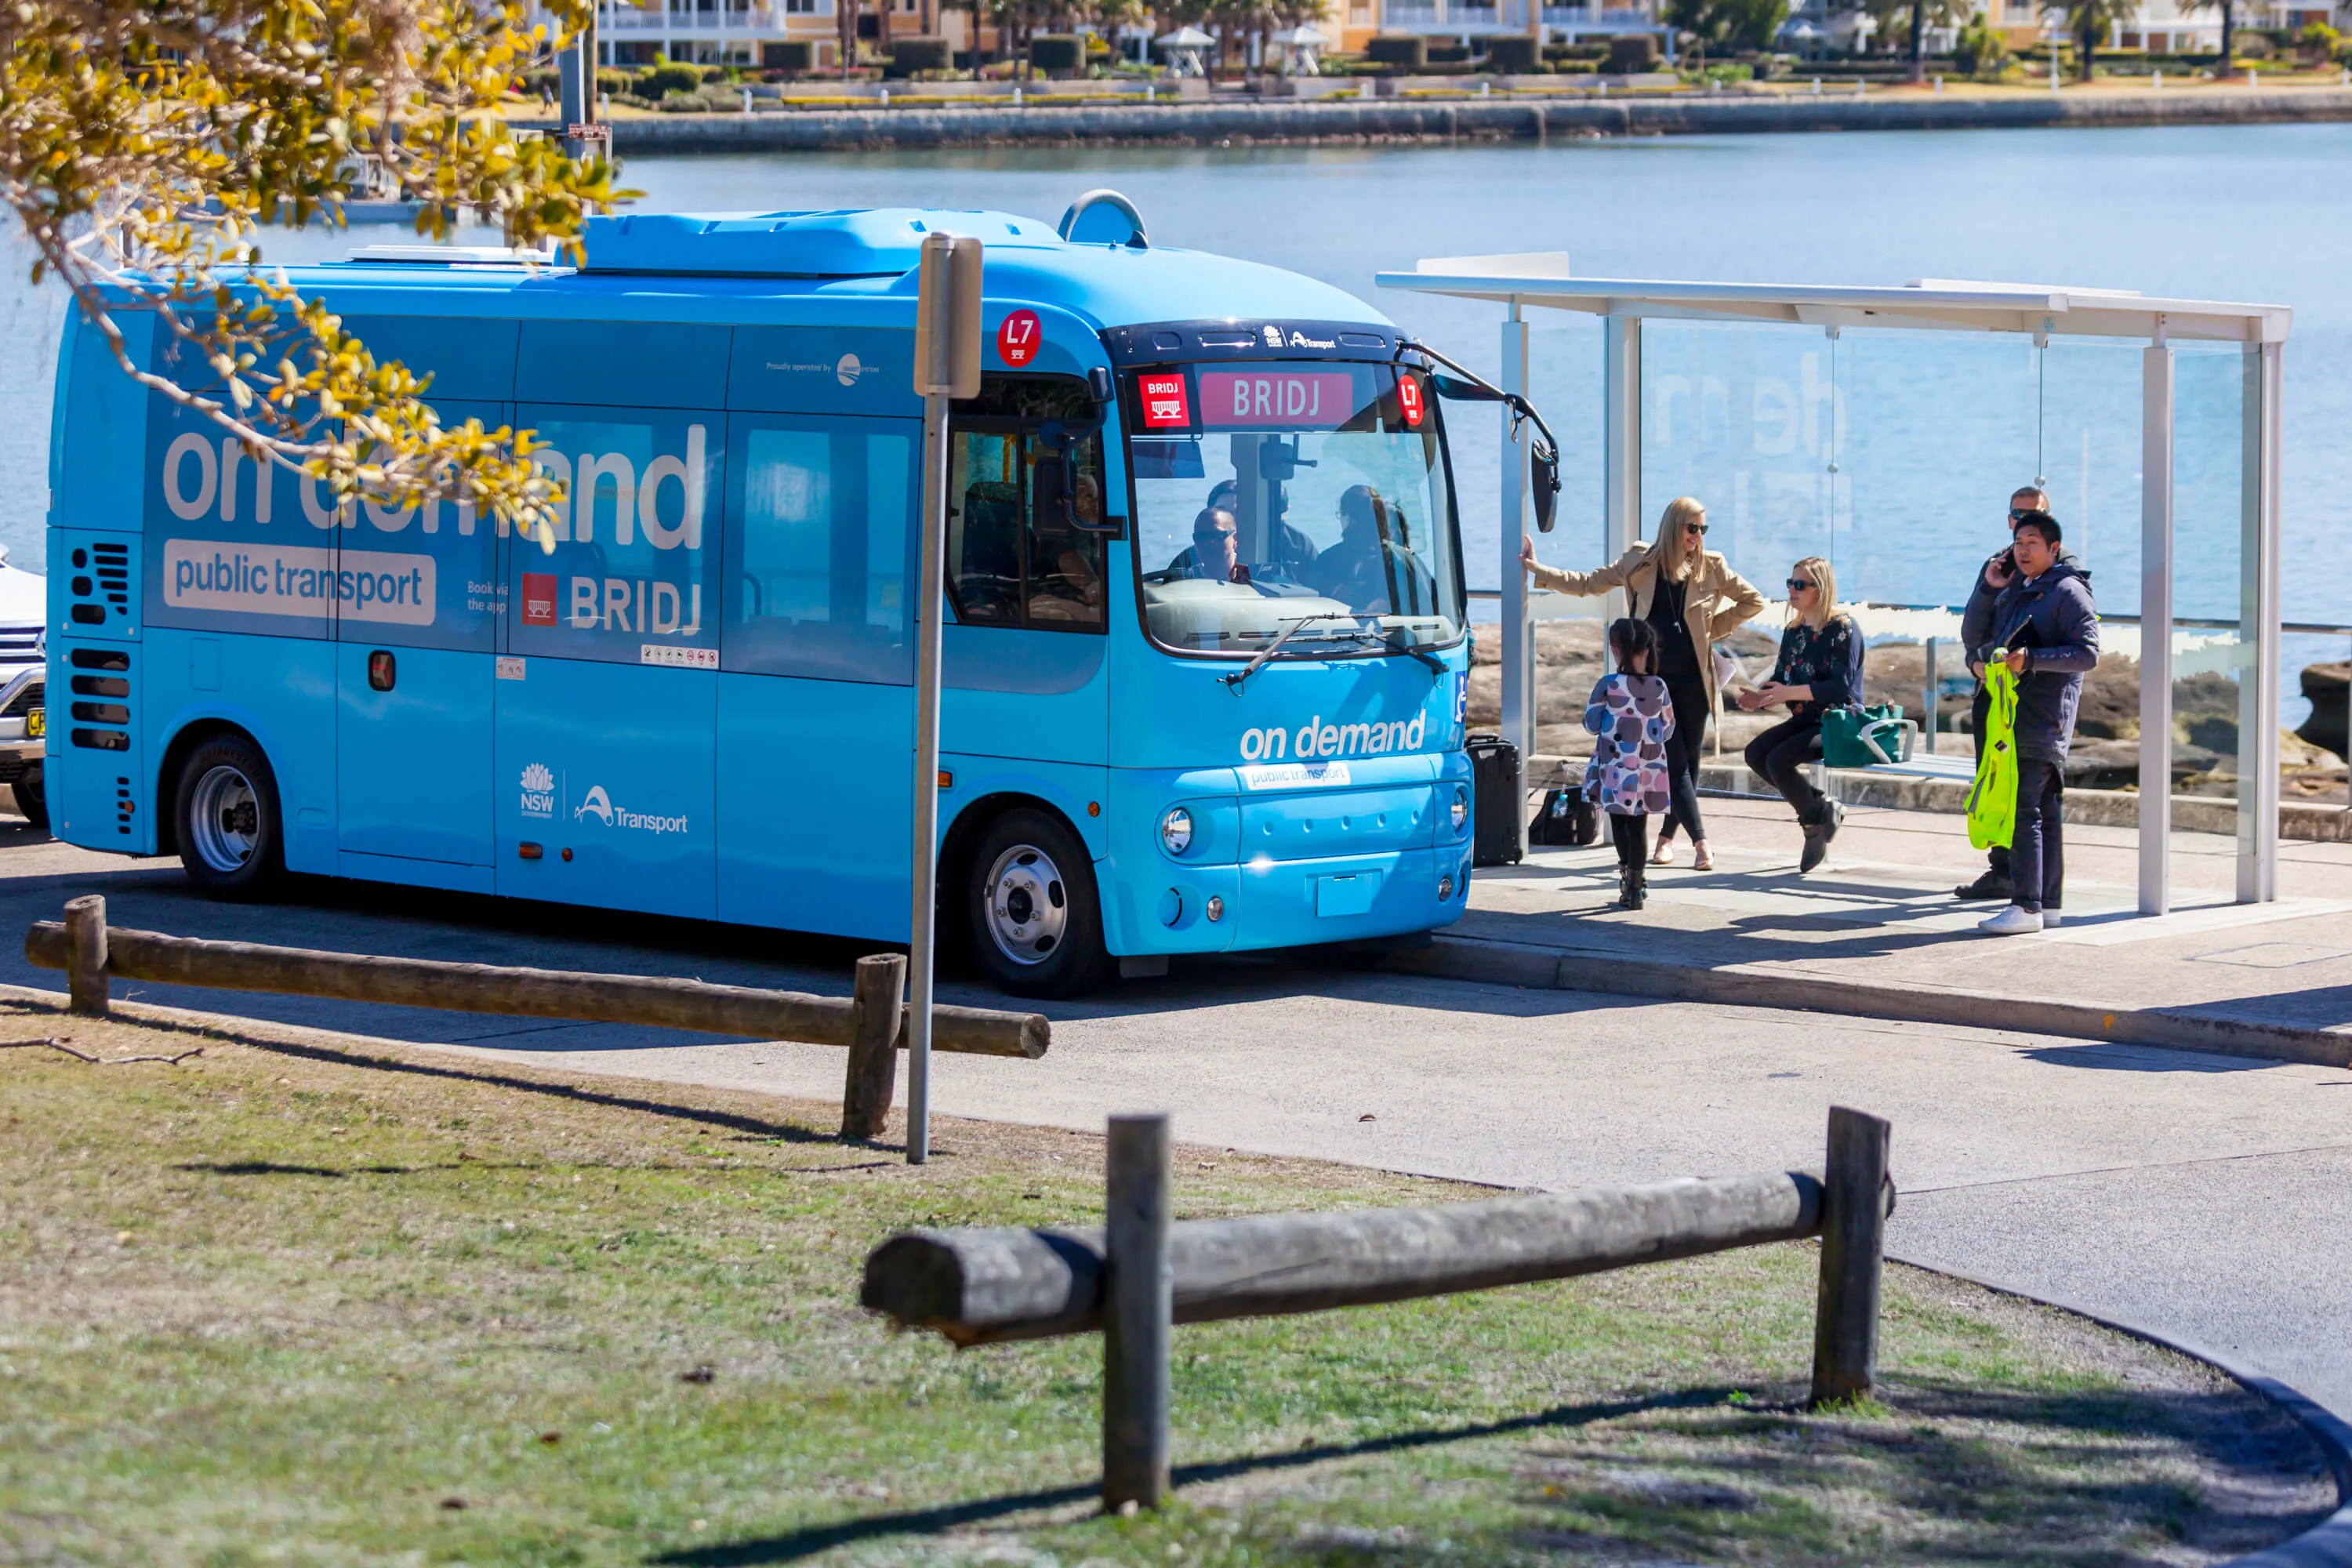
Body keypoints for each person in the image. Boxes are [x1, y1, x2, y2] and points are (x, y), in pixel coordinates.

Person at [1522, 496, 1764, 873]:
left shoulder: (1711, 566)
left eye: (1703, 529)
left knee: (1690, 763)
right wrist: (1540, 571)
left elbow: (1753, 601)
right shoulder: (1639, 562)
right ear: (1673, 527)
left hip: (1695, 682)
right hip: (1650, 686)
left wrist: (1709, 632)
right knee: (1673, 760)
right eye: (1692, 528)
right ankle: (1702, 842)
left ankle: (1667, 840)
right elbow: (1589, 583)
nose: (1698, 536)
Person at [1953, 484, 2089, 902]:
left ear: (2051, 539)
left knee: (2032, 807)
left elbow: (2085, 651)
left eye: (2032, 531)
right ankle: (2011, 878)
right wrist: (1990, 589)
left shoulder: (2065, 580)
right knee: (2000, 789)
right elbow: (1974, 635)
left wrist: (2030, 660)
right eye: (2016, 521)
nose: (2022, 541)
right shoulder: (2005, 568)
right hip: (1995, 700)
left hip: (2034, 710)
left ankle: (2030, 899)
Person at [1736, 556, 1864, 874]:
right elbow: (1783, 678)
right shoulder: (1794, 630)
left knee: (1778, 760)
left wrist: (1786, 694)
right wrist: (1761, 697)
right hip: (1805, 719)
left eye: (1800, 585)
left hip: (1838, 722)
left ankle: (1812, 826)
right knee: (1755, 754)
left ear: (1819, 590)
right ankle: (1820, 806)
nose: (1792, 591)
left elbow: (1838, 688)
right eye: (1790, 584)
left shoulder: (1843, 628)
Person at [1583, 617, 1676, 911]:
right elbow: (1668, 728)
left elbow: (1590, 724)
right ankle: (1637, 886)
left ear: (1615, 649)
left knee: (1619, 821)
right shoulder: (1659, 686)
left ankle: (1626, 882)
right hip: (1648, 768)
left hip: (1615, 767)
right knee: (1640, 826)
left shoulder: (1609, 685)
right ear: (1648, 649)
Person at [1177, 507, 1248, 584]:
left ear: (1235, 538)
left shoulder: (1255, 577)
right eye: (1202, 537)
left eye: (1217, 535)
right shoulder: (1184, 583)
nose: (1209, 543)